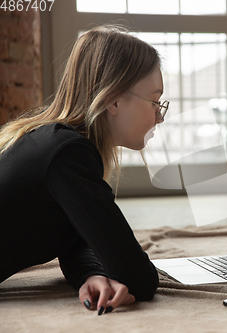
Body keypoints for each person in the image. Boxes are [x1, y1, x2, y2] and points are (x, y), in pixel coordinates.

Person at [0, 25, 167, 314]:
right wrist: (121, 271)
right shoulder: (68, 154)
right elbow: (139, 278)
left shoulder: (51, 142)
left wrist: (92, 275)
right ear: (113, 98)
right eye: (154, 101)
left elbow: (75, 236)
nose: (159, 116)